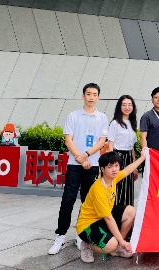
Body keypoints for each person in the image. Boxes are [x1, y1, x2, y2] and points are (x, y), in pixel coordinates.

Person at [49, 83, 108, 255]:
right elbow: (68, 140)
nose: (91, 97)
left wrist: (87, 155)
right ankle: (60, 236)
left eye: (94, 94)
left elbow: (101, 141)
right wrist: (80, 159)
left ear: (98, 97)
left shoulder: (102, 117)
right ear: (83, 96)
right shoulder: (73, 116)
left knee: (87, 203)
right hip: (75, 165)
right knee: (67, 200)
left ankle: (81, 235)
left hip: (92, 165)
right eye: (88, 94)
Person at [76, 149, 147, 263]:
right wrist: (123, 242)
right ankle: (87, 244)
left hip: (103, 217)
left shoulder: (113, 178)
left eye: (116, 165)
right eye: (110, 166)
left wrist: (142, 158)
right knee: (111, 245)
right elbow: (108, 219)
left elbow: (127, 170)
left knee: (130, 211)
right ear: (103, 169)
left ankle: (117, 246)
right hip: (87, 224)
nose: (114, 169)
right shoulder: (98, 189)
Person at [107, 95, 138, 206]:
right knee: (117, 187)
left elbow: (132, 147)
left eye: (130, 105)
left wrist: (134, 166)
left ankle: (128, 213)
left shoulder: (132, 123)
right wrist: (113, 164)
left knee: (128, 187)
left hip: (129, 157)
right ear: (119, 107)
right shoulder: (115, 123)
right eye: (124, 105)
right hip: (118, 157)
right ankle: (115, 214)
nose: (127, 107)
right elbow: (110, 145)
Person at [139, 87, 159, 152]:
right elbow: (143, 137)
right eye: (156, 97)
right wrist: (146, 153)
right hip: (152, 154)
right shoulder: (147, 116)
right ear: (152, 100)